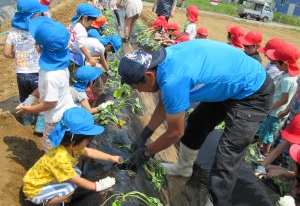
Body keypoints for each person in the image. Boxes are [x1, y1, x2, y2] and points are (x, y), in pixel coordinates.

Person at [118, 39, 275, 206]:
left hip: (253, 91)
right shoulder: (162, 62)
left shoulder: (173, 80)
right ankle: (183, 168)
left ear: (148, 76)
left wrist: (147, 153)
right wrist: (145, 134)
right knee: (196, 123)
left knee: (228, 152)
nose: (137, 90)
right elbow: (165, 102)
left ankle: (217, 202)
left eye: (135, 87)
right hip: (230, 82)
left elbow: (175, 132)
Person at [22, 107, 123, 205]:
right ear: (75, 142)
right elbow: (79, 182)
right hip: (33, 190)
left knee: (77, 172)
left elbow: (90, 152)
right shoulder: (60, 158)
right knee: (71, 188)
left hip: (39, 180)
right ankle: (46, 203)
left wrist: (111, 157)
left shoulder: (69, 147)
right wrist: (97, 186)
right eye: (87, 140)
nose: (88, 143)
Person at [16, 16, 75, 152]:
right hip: (65, 112)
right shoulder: (57, 66)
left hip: (55, 119)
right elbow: (42, 88)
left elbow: (50, 103)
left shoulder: (50, 76)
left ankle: (55, 171)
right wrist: (29, 100)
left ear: (38, 47)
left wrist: (29, 110)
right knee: (62, 147)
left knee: (51, 148)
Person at [3, 0, 47, 128]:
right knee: (43, 98)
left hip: (21, 73)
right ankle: (40, 126)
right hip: (37, 72)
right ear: (34, 15)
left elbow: (6, 53)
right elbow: (43, 49)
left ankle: (27, 123)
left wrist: (18, 56)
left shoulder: (12, 32)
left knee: (25, 99)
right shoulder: (38, 31)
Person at [258, 44, 299, 155]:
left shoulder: (287, 80)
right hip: (275, 110)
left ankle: (264, 153)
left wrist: (270, 108)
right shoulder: (287, 75)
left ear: (285, 65)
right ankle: (262, 149)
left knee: (268, 133)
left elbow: (284, 99)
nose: (275, 64)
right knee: (266, 130)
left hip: (276, 112)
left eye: (277, 62)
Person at [68, 3, 100, 84]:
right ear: (85, 19)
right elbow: (81, 45)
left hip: (69, 54)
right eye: (91, 22)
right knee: (75, 78)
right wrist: (90, 58)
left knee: (69, 75)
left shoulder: (72, 24)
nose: (91, 24)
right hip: (75, 60)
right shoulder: (82, 30)